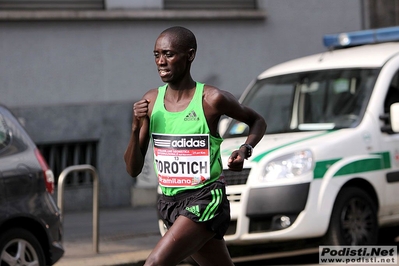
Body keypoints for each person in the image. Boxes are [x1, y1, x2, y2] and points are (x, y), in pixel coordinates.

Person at [124, 26, 266, 266]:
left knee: (154, 263)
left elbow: (257, 121)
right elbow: (132, 169)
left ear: (190, 55)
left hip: (205, 199)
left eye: (168, 54)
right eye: (156, 55)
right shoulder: (151, 101)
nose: (160, 61)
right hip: (170, 203)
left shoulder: (211, 99)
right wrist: (136, 127)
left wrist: (245, 150)